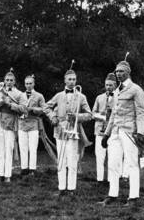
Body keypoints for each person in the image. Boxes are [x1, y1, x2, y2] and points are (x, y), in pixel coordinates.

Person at [99, 59, 144, 206]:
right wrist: (106, 134)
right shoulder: (117, 90)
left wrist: (140, 132)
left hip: (129, 131)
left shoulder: (136, 89)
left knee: (132, 164)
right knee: (112, 163)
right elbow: (113, 114)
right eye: (117, 71)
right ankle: (112, 194)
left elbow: (141, 112)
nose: (118, 74)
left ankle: (133, 197)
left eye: (121, 71)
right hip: (115, 132)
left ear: (128, 72)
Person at [44, 67, 92, 196]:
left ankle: (71, 188)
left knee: (72, 161)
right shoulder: (59, 95)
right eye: (69, 79)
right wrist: (52, 117)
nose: (72, 81)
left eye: (74, 79)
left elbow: (89, 114)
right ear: (65, 81)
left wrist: (77, 117)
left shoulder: (81, 97)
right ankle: (61, 188)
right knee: (61, 160)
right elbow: (46, 107)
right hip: (60, 131)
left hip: (73, 131)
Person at [0, 69, 26, 183]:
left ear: (14, 81)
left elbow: (23, 109)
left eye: (11, 80)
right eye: (7, 80)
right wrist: (0, 102)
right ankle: (1, 174)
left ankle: (8, 175)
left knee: (9, 150)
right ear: (4, 81)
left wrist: (9, 104)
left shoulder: (19, 94)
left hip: (11, 124)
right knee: (1, 151)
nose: (9, 82)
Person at [18, 75, 46, 176]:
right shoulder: (20, 95)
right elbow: (17, 107)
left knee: (33, 147)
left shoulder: (39, 95)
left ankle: (32, 169)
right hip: (22, 123)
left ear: (33, 84)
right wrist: (20, 109)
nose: (28, 85)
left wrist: (33, 109)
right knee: (23, 147)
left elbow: (44, 109)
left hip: (33, 123)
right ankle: (24, 168)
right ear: (24, 84)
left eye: (30, 83)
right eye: (26, 83)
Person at [92, 73, 117, 183]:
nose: (108, 87)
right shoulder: (99, 98)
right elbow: (92, 114)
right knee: (100, 156)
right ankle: (100, 179)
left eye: (111, 85)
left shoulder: (119, 97)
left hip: (112, 131)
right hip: (99, 130)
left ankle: (112, 179)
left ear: (115, 85)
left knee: (112, 157)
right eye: (107, 85)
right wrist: (103, 116)